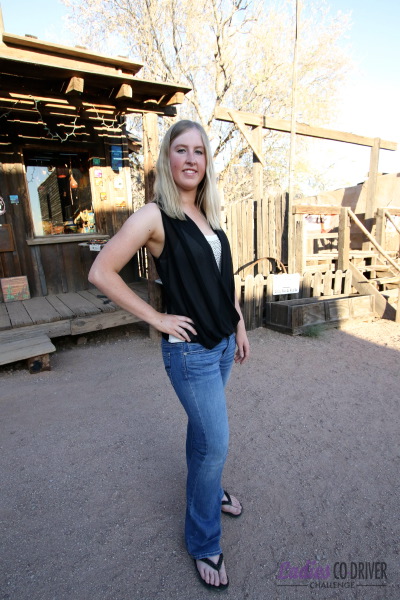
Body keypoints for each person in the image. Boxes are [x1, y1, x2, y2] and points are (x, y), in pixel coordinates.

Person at [88, 119, 250, 590]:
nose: (191, 159)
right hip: (190, 354)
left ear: (207, 162)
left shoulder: (209, 214)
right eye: (182, 150)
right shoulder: (154, 216)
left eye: (199, 151)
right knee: (215, 443)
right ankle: (203, 541)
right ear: (167, 158)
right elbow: (101, 272)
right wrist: (157, 318)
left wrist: (239, 325)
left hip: (221, 345)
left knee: (204, 434)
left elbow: (223, 281)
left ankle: (209, 492)